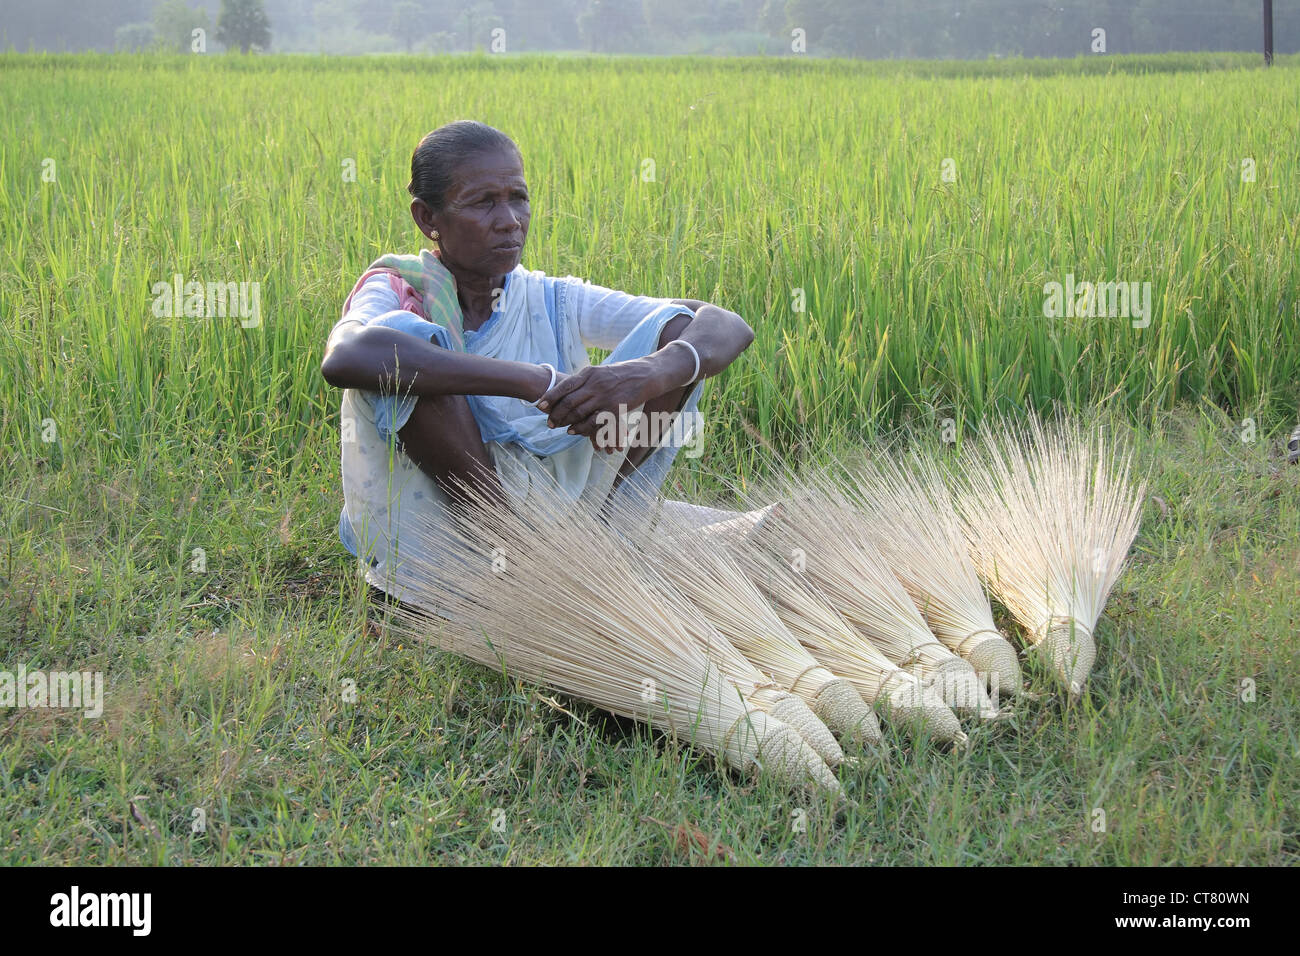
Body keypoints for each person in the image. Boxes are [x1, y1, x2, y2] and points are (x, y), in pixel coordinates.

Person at [320, 121, 755, 603]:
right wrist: (533, 381)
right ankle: (524, 563)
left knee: (677, 328)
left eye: (517, 197)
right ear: (428, 219)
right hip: (456, 534)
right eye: (483, 202)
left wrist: (643, 374)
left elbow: (723, 325)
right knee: (408, 347)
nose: (509, 219)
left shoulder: (550, 298)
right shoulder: (401, 289)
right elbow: (347, 356)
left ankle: (597, 539)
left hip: (566, 512)